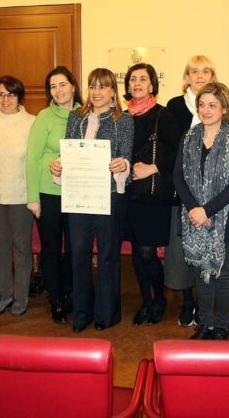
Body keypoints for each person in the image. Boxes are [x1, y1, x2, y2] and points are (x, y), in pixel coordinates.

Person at [51, 68, 134, 333]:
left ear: (112, 91)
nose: (97, 92)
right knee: (78, 255)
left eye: (103, 87)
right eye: (93, 87)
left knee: (108, 257)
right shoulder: (76, 117)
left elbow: (126, 155)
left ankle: (106, 314)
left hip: (108, 196)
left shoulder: (124, 119)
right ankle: (82, 313)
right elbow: (71, 152)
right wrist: (60, 165)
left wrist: (123, 164)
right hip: (78, 197)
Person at [174, 82, 229, 341]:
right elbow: (178, 177)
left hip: (227, 220)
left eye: (212, 105)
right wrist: (195, 209)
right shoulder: (189, 137)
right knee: (200, 273)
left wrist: (207, 210)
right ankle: (205, 324)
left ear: (224, 108)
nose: (205, 110)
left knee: (221, 273)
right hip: (194, 218)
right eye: (202, 104)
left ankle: (222, 327)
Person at [163, 55, 217, 327]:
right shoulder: (174, 107)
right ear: (186, 77)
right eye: (194, 71)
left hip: (214, 195)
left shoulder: (222, 105)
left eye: (205, 71)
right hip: (182, 191)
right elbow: (173, 151)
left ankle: (208, 303)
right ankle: (188, 302)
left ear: (212, 77)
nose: (199, 76)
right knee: (182, 251)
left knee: (210, 249)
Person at [26, 66, 82, 324]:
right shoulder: (44, 117)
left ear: (72, 86)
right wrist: (33, 197)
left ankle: (70, 291)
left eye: (62, 84)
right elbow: (32, 159)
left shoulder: (86, 114)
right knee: (50, 248)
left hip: (79, 193)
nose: (58, 90)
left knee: (75, 248)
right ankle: (56, 299)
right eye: (53, 86)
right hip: (49, 193)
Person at [0, 75, 36, 317]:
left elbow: (34, 162)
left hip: (21, 195)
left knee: (22, 248)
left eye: (10, 94)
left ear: (19, 97)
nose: (6, 99)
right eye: (1, 94)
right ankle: (4, 294)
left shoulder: (32, 122)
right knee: (0, 248)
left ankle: (21, 297)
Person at [124, 63, 174, 326]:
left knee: (147, 252)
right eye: (133, 79)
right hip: (128, 194)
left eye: (143, 79)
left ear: (152, 85)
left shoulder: (163, 115)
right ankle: (145, 301)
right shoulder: (122, 117)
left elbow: (178, 154)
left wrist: (153, 168)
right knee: (136, 251)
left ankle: (159, 299)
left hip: (153, 196)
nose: (138, 83)